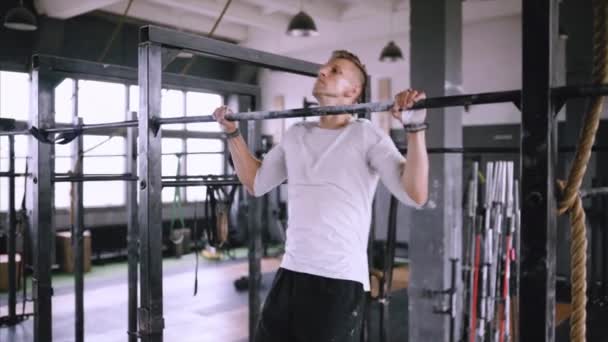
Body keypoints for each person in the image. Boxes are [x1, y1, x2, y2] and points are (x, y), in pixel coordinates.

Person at [213, 50, 429, 342]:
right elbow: (256, 182)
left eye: (335, 71)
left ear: (353, 91)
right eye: (324, 68)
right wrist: (232, 134)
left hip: (339, 282)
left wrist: (414, 128)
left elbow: (415, 194)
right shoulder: (295, 134)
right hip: (290, 274)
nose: (323, 72)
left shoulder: (368, 136)